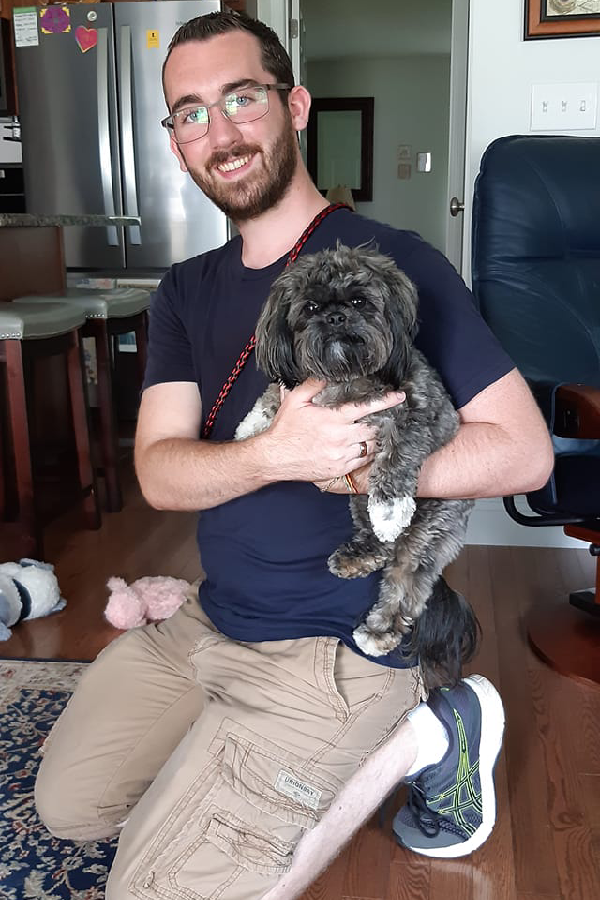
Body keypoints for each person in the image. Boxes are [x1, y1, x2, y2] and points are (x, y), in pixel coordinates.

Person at [34, 10, 554, 899]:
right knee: (69, 810)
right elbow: (160, 470)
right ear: (176, 141)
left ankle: (429, 732)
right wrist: (277, 454)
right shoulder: (185, 290)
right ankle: (231, 746)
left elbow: (525, 456)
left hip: (338, 645)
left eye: (241, 97)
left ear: (295, 104)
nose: (220, 132)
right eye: (190, 112)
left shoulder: (399, 266)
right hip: (211, 618)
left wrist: (359, 466)